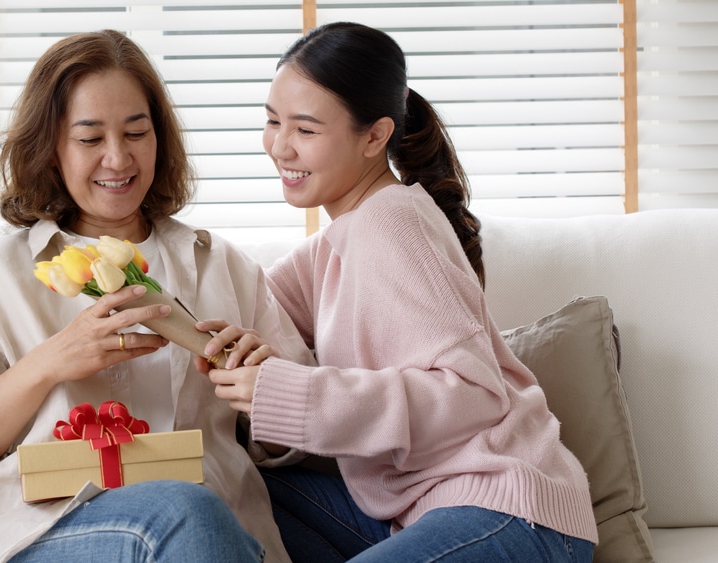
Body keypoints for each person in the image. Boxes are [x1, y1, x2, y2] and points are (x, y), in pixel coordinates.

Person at [0, 30, 313, 563]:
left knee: (194, 513)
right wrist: (48, 364)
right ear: (50, 150)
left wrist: (266, 391)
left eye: (136, 132)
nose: (118, 159)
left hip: (210, 533)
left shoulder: (223, 267)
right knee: (187, 510)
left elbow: (297, 446)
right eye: (90, 139)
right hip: (42, 530)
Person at [196, 22, 599, 562]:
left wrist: (293, 396)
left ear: (374, 136)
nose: (279, 147)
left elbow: (474, 393)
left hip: (510, 512)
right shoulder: (335, 243)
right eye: (272, 122)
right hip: (410, 514)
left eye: (306, 130)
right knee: (221, 487)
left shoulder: (391, 225)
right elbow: (247, 300)